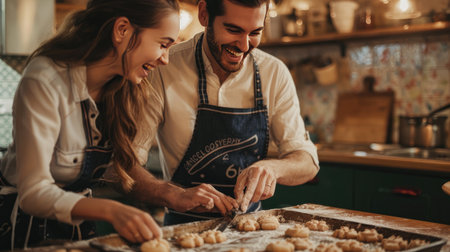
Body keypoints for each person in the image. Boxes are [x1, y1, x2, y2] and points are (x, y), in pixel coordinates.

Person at [0, 0, 234, 249]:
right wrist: (113, 211)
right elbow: (33, 193)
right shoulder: (45, 79)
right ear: (122, 30)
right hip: (20, 230)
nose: (165, 59)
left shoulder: (125, 87)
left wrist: (174, 194)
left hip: (76, 233)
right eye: (163, 44)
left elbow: (119, 169)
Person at [148, 0, 320, 226]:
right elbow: (125, 165)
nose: (244, 45)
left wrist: (272, 168)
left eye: (255, 32)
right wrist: (173, 195)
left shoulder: (274, 73)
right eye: (233, 30)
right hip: (182, 228)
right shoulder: (163, 68)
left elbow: (307, 162)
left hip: (249, 228)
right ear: (204, 15)